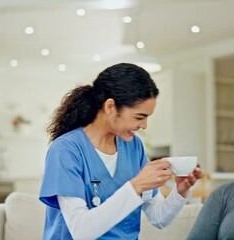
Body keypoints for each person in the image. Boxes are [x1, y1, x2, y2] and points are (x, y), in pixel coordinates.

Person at [39, 63, 202, 239]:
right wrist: (136, 185)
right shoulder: (66, 149)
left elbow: (158, 217)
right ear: (110, 107)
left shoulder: (134, 147)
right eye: (139, 117)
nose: (144, 125)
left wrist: (180, 191)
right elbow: (81, 230)